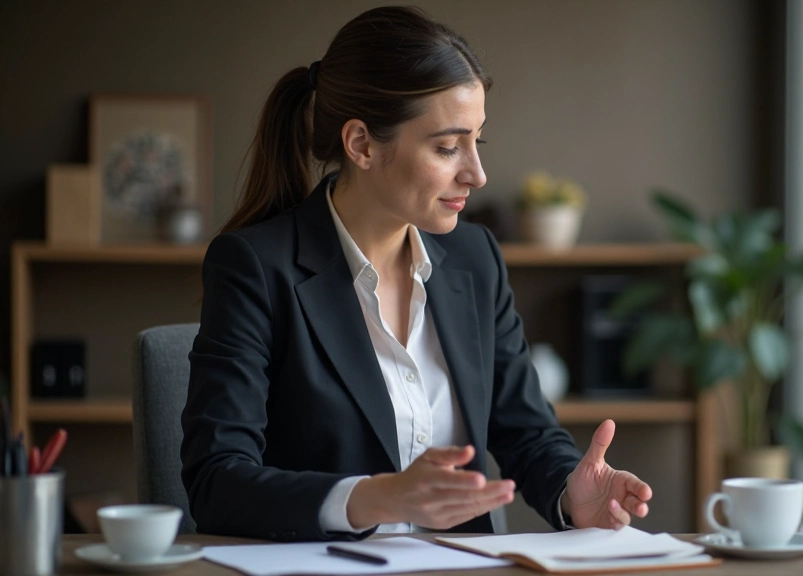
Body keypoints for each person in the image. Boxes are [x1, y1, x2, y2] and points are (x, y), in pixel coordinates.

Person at [180, 5, 652, 541]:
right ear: (360, 144)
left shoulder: (477, 259)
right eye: (448, 147)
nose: (476, 172)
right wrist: (375, 497)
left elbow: (526, 433)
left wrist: (574, 495)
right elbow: (216, 482)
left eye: (478, 141)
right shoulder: (255, 266)